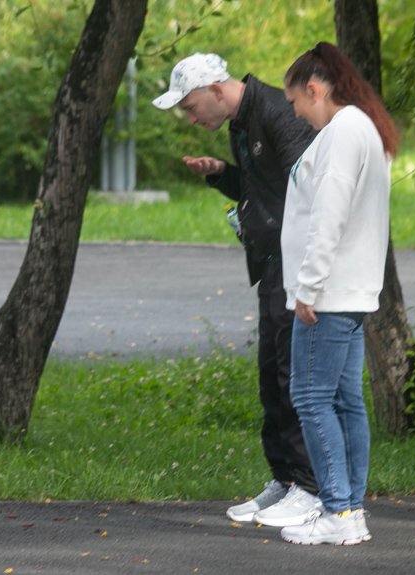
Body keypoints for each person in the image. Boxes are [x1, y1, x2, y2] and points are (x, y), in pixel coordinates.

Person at [152, 53, 323, 525]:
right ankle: (286, 479)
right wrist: (221, 176)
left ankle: (311, 488)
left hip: (298, 265)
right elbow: (260, 188)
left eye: (189, 107)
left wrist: (311, 273)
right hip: (271, 263)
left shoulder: (274, 110)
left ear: (215, 89)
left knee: (294, 376)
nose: (190, 117)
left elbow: (311, 189)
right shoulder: (240, 122)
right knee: (272, 375)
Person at [277, 41, 399, 545]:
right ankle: (351, 512)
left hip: (327, 294)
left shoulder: (342, 133)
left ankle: (338, 513)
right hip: (350, 290)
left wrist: (307, 287)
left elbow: (329, 216)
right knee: (346, 402)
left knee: (310, 397)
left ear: (313, 89)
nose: (298, 114)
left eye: (295, 103)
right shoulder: (364, 128)